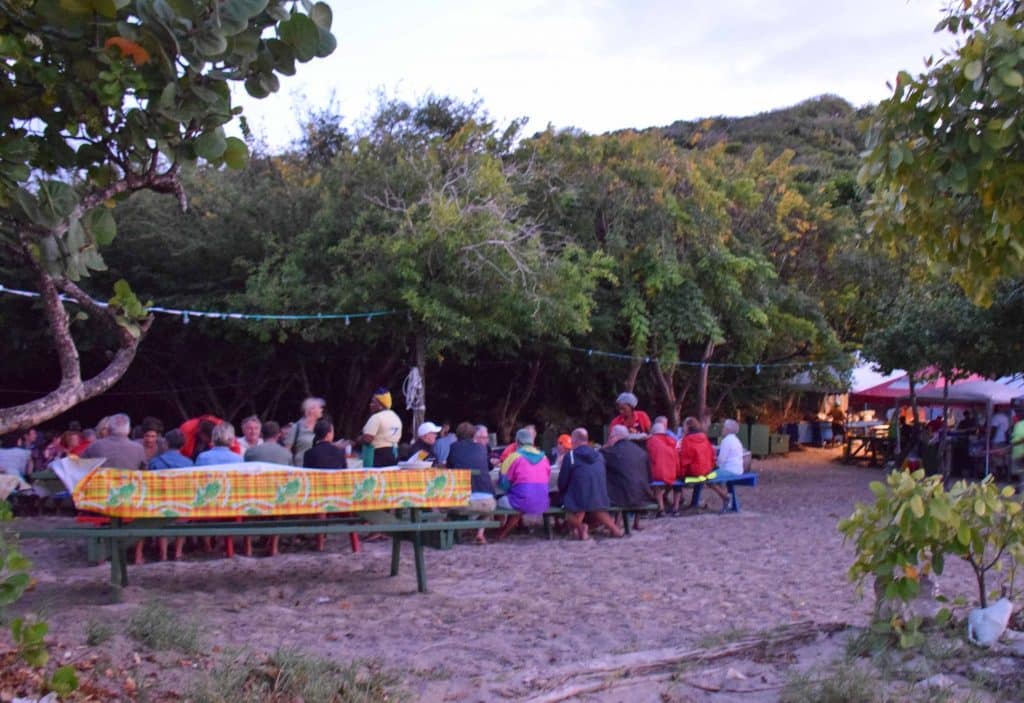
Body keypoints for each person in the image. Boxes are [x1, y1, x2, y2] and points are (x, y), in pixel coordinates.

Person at [557, 428, 624, 540]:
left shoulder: (571, 456)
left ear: (574, 440)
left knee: (568, 509)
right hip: (600, 494)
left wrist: (562, 492)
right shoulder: (599, 455)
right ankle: (615, 529)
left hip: (579, 497)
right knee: (596, 508)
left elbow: (562, 481)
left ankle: (580, 527)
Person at [496, 427, 551, 539]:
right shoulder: (544, 457)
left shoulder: (513, 457)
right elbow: (547, 478)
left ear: (517, 442)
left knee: (497, 501)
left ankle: (500, 530)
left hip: (520, 502)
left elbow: (503, 484)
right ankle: (506, 530)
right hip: (543, 502)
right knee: (521, 498)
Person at [447, 422, 495, 544]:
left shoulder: (454, 447)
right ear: (474, 435)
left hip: (463, 501)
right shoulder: (482, 448)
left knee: (443, 506)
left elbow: (449, 468)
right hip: (487, 503)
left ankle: (455, 532)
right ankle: (480, 533)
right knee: (489, 505)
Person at [601, 424, 653, 531]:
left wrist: (606, 446)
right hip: (643, 495)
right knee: (630, 478)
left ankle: (615, 524)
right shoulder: (641, 452)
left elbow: (597, 457)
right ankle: (632, 523)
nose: (609, 438)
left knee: (611, 478)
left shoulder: (611, 452)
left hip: (622, 497)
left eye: (610, 436)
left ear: (615, 437)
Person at [675, 416, 716, 513]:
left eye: (684, 425)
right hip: (706, 471)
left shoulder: (687, 440)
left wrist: (680, 473)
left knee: (677, 479)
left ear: (688, 426)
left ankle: (675, 506)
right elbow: (711, 454)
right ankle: (694, 503)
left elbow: (684, 460)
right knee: (700, 477)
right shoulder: (704, 438)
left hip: (694, 473)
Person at [707, 418, 745, 510]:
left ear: (728, 430)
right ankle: (728, 499)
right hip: (738, 469)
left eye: (723, 428)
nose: (722, 429)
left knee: (708, 478)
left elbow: (721, 460)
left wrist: (714, 462)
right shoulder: (736, 440)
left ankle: (725, 497)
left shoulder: (726, 441)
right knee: (718, 477)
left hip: (729, 470)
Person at [360, 388, 403, 467]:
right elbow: (398, 439)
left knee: (374, 479)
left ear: (380, 405)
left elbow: (368, 438)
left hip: (378, 456)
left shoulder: (376, 417)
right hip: (394, 455)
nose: (370, 404)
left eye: (373, 402)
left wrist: (358, 439)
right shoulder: (396, 417)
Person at [646, 421, 679, 517]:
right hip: (673, 473)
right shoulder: (672, 441)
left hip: (658, 474)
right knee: (677, 483)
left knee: (656, 485)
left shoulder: (651, 441)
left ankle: (661, 509)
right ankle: (676, 508)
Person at [285, 398, 325, 466]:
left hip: (317, 470)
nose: (322, 410)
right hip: (299, 469)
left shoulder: (321, 427)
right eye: (320, 408)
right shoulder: (296, 427)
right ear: (311, 410)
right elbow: (286, 450)